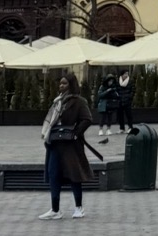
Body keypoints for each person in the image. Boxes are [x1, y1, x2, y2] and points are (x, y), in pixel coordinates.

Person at [40, 73, 94, 220]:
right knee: (53, 175)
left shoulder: (78, 101)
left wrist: (76, 133)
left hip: (71, 145)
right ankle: (55, 209)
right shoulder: (57, 101)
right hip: (55, 143)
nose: (61, 86)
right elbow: (51, 120)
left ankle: (78, 207)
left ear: (71, 85)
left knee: (74, 175)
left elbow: (87, 119)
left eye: (64, 84)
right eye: (60, 84)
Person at [95, 72, 119, 140]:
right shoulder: (102, 87)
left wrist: (113, 92)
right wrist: (107, 91)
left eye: (112, 81)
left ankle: (108, 129)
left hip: (110, 104)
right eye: (110, 81)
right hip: (103, 104)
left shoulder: (114, 87)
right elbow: (100, 95)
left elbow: (117, 95)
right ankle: (101, 129)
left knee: (109, 117)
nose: (111, 82)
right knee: (102, 118)